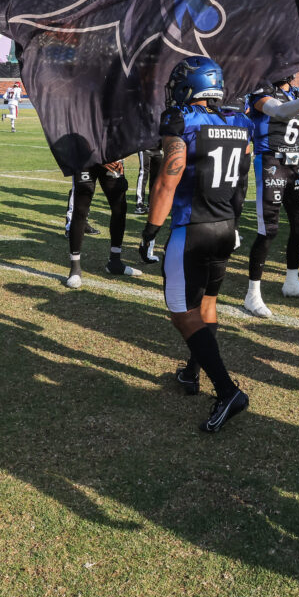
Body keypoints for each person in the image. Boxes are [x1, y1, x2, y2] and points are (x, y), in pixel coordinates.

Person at [138, 55, 253, 433]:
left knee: (180, 311)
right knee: (207, 303)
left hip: (193, 227)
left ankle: (227, 389)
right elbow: (241, 183)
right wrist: (233, 222)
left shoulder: (181, 119)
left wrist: (152, 230)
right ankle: (191, 372)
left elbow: (168, 180)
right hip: (224, 224)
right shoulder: (241, 121)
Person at [242, 74, 299, 316]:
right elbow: (280, 112)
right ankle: (252, 294)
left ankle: (292, 281)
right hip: (271, 161)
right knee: (268, 229)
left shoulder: (295, 94)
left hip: (294, 166)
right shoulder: (260, 89)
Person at [62, 159, 140, 288]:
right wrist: (100, 157)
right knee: (80, 209)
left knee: (119, 206)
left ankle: (115, 261)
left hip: (111, 157)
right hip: (85, 157)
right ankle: (75, 268)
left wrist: (118, 154)